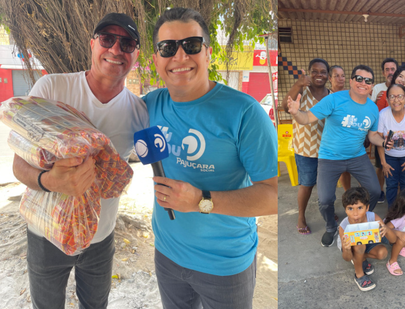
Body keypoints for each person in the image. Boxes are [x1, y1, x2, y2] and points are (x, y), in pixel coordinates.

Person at [11, 13, 148, 309]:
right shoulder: (51, 89)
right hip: (45, 234)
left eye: (126, 43)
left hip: (101, 239)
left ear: (136, 55)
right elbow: (19, 164)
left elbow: (163, 166)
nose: (115, 50)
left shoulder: (140, 112)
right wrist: (49, 180)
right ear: (92, 44)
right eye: (107, 39)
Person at [144, 8, 277, 308]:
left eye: (190, 45)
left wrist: (202, 201)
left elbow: (273, 196)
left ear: (207, 53)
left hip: (225, 266)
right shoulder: (148, 106)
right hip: (167, 255)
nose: (179, 57)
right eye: (167, 48)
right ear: (156, 59)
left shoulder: (245, 113)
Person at [287, 64, 391, 247]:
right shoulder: (334, 99)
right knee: (325, 199)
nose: (363, 83)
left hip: (357, 156)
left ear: (372, 86)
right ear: (351, 81)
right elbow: (306, 118)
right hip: (329, 157)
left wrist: (384, 142)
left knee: (374, 191)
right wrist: (296, 113)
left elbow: (372, 135)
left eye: (368, 81)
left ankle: (361, 220)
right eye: (359, 79)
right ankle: (330, 227)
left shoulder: (373, 109)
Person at [283, 58, 332, 235]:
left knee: (327, 185)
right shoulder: (301, 91)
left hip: (327, 149)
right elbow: (285, 106)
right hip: (305, 149)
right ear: (309, 73)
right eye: (315, 71)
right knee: (307, 184)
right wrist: (298, 84)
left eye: (323, 72)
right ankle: (301, 216)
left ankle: (328, 212)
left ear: (328, 75)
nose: (319, 75)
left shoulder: (331, 95)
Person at [337, 187, 397, 291]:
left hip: (367, 242)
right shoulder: (344, 226)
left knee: (382, 253)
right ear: (345, 210)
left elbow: (393, 240)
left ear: (367, 207)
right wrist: (347, 249)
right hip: (350, 247)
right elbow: (346, 258)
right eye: (350, 208)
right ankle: (359, 275)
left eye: (360, 208)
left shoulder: (373, 217)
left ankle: (360, 258)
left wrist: (386, 229)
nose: (355, 213)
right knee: (359, 245)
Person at [377, 84, 405, 207]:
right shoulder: (383, 114)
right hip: (389, 157)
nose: (396, 100)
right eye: (392, 96)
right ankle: (392, 213)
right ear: (387, 100)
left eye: (400, 96)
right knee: (391, 184)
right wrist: (384, 163)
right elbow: (379, 141)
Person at [371, 58, 398, 204]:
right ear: (383, 72)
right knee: (381, 165)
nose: (390, 72)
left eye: (392, 69)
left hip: (399, 131)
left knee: (399, 163)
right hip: (381, 132)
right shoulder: (377, 89)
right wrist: (376, 101)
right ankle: (381, 190)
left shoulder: (401, 86)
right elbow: (370, 106)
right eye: (387, 69)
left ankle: (400, 191)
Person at [330, 65, 355, 192]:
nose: (340, 78)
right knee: (333, 172)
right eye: (336, 76)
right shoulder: (326, 96)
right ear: (330, 78)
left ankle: (347, 192)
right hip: (332, 139)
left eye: (343, 75)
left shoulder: (350, 94)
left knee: (346, 170)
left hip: (349, 137)